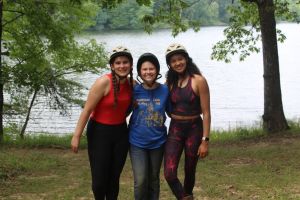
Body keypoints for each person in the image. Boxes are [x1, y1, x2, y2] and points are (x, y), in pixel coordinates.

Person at [71, 46, 134, 200]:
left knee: (114, 177)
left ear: (131, 65)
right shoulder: (103, 83)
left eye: (125, 62)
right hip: (99, 133)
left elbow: (132, 106)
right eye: (117, 63)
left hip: (120, 132)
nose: (122, 66)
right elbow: (87, 110)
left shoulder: (133, 84)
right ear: (112, 66)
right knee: (100, 180)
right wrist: (77, 135)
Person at [163, 43, 211, 200]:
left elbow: (206, 112)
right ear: (169, 65)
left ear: (186, 59)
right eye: (173, 61)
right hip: (175, 129)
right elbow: (157, 99)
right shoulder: (169, 83)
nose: (177, 63)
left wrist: (205, 140)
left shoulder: (198, 81)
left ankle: (188, 194)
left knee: (190, 170)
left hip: (194, 129)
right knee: (169, 173)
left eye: (180, 59)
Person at [129, 53, 170, 200]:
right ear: (139, 72)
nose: (148, 72)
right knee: (140, 180)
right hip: (137, 142)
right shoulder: (134, 89)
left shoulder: (165, 90)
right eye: (144, 69)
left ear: (157, 70)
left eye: (151, 68)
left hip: (158, 142)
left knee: (153, 179)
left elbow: (172, 112)